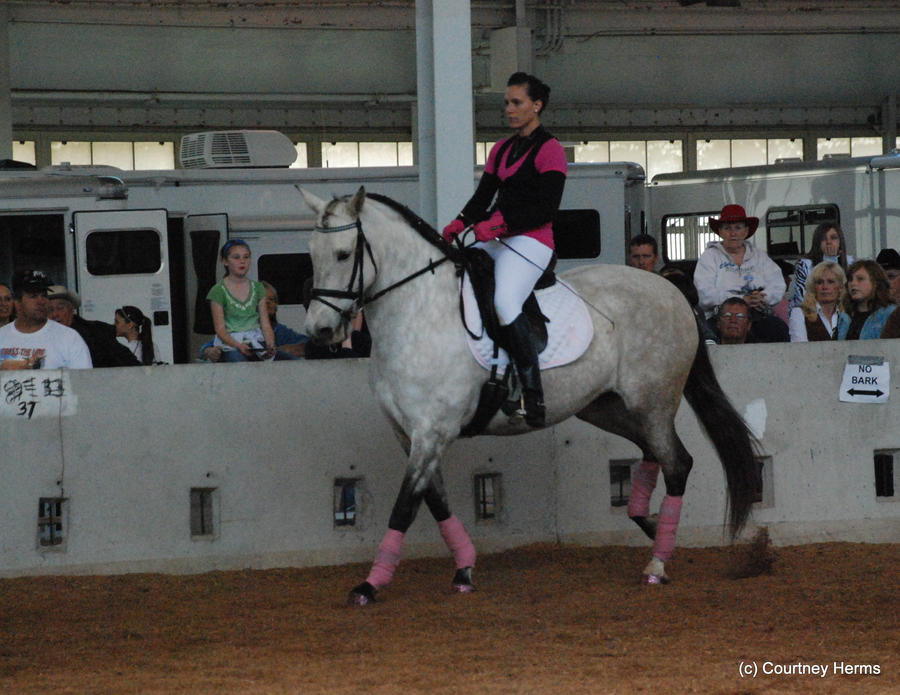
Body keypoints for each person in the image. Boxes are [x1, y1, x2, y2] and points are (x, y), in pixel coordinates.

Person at [441, 71, 567, 427]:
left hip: (533, 242)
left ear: (536, 106)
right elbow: (484, 197)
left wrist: (497, 225)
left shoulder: (551, 149)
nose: (509, 110)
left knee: (504, 302)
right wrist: (459, 223)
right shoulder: (501, 149)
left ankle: (532, 393)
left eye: (517, 103)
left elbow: (546, 209)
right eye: (507, 103)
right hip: (500, 239)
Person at [693, 204, 788, 343]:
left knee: (778, 329)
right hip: (719, 319)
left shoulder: (759, 256)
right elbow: (703, 294)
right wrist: (741, 300)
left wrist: (763, 297)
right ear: (720, 231)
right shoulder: (710, 256)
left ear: (746, 231)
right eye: (727, 228)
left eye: (738, 228)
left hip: (756, 317)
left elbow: (778, 285)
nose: (733, 233)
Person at [0, 270, 92, 369]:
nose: (41, 301)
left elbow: (83, 381)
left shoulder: (70, 338)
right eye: (33, 296)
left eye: (44, 295)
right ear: (17, 302)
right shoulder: (2, 336)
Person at [201, 281, 309, 362]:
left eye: (271, 300)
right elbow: (206, 348)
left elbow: (307, 343)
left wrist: (292, 348)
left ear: (276, 307)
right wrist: (210, 352)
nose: (267, 303)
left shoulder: (279, 330)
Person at [206, 239, 275, 362]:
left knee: (288, 361)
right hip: (230, 345)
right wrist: (238, 345)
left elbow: (265, 324)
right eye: (236, 257)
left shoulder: (258, 288)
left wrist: (270, 344)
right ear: (225, 261)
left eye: (246, 257)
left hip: (256, 342)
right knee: (239, 363)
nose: (242, 261)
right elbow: (220, 330)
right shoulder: (218, 291)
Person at [48, 285, 139, 367]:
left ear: (71, 310)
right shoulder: (42, 335)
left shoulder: (97, 333)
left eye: (60, 308)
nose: (55, 314)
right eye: (50, 310)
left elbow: (129, 364)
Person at [789, 223, 853, 309]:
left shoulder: (850, 262)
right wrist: (830, 259)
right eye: (823, 239)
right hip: (808, 314)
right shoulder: (805, 265)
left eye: (833, 238)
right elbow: (802, 299)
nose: (829, 242)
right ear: (817, 243)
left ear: (840, 242)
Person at [838, 259, 900, 340]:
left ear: (876, 282)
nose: (853, 283)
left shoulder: (891, 313)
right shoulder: (845, 316)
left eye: (860, 279)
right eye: (850, 279)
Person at [788, 261, 849, 342]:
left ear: (840, 287)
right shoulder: (799, 314)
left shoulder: (848, 315)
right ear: (813, 287)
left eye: (830, 282)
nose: (825, 287)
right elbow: (800, 350)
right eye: (819, 282)